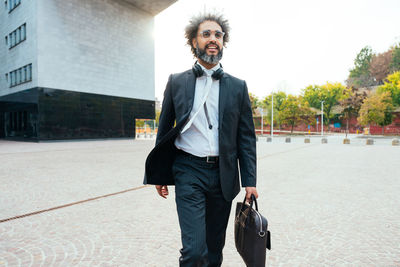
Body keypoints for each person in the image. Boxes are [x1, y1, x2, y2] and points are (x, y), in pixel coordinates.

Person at [144, 12, 258, 267]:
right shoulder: (176, 81)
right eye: (206, 34)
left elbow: (246, 138)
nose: (213, 39)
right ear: (193, 41)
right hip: (188, 170)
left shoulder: (238, 87)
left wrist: (250, 180)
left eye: (218, 34)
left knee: (215, 247)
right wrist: (160, 174)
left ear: (223, 42)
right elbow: (164, 130)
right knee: (195, 251)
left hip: (224, 174)